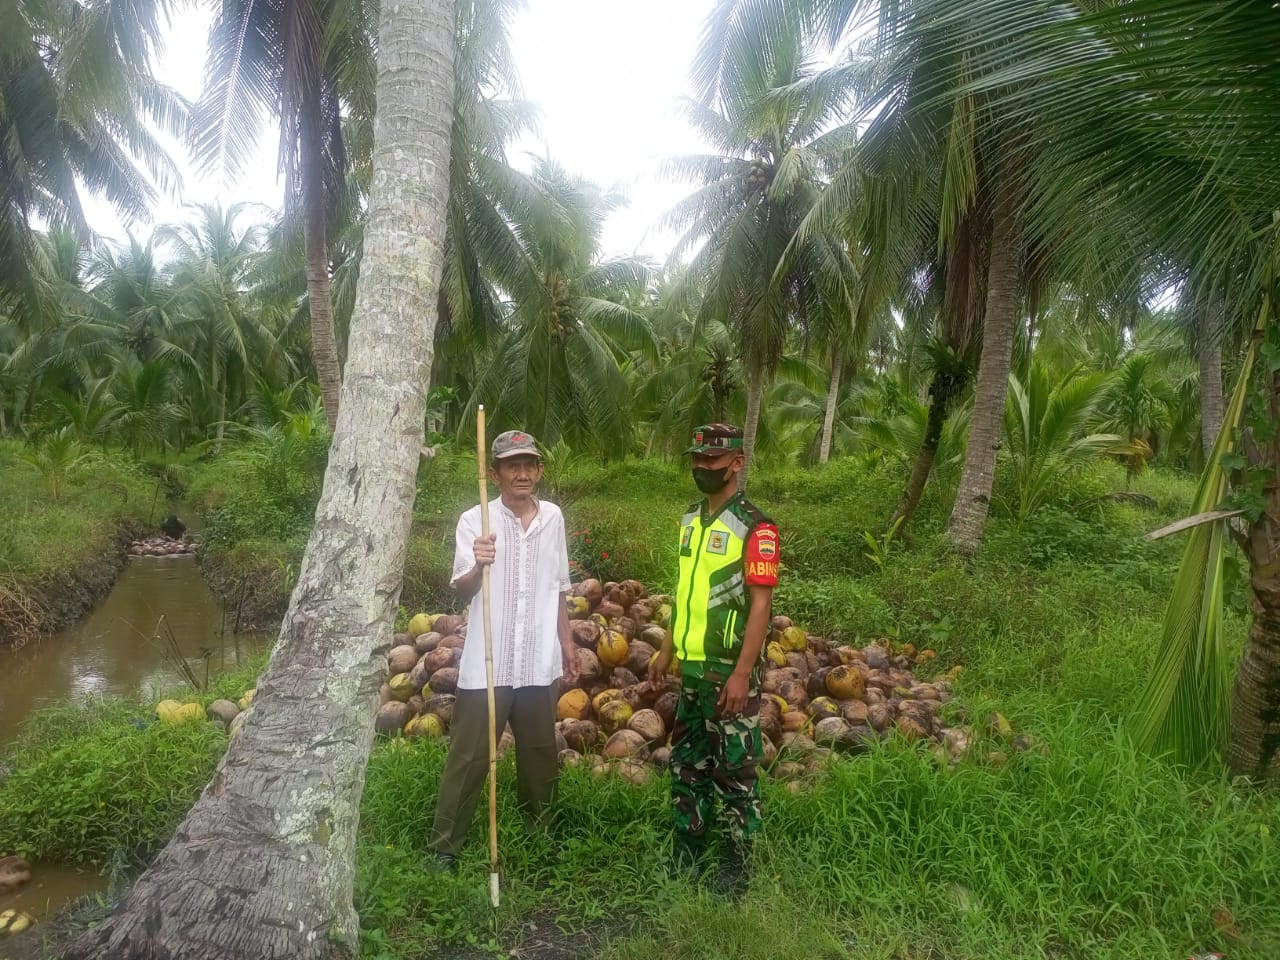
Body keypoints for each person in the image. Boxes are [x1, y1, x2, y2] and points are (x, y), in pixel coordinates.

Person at [426, 429, 579, 872]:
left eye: (529, 464)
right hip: (487, 664)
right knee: (469, 756)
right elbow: (462, 589)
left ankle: (541, 834)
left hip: (537, 659)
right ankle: (444, 848)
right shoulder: (475, 520)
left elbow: (559, 586)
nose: (522, 473)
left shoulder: (553, 517)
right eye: (512, 465)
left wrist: (566, 643)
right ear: (495, 473)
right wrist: (479, 562)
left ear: (540, 470)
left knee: (539, 754)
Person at [648, 423, 779, 899]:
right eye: (696, 460)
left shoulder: (756, 527)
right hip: (692, 668)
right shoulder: (689, 520)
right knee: (688, 763)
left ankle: (736, 861)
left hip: (728, 669)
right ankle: (688, 843)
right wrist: (667, 647)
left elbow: (761, 606)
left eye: (713, 461)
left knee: (734, 769)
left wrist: (743, 673)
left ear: (737, 464)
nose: (702, 468)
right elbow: (685, 591)